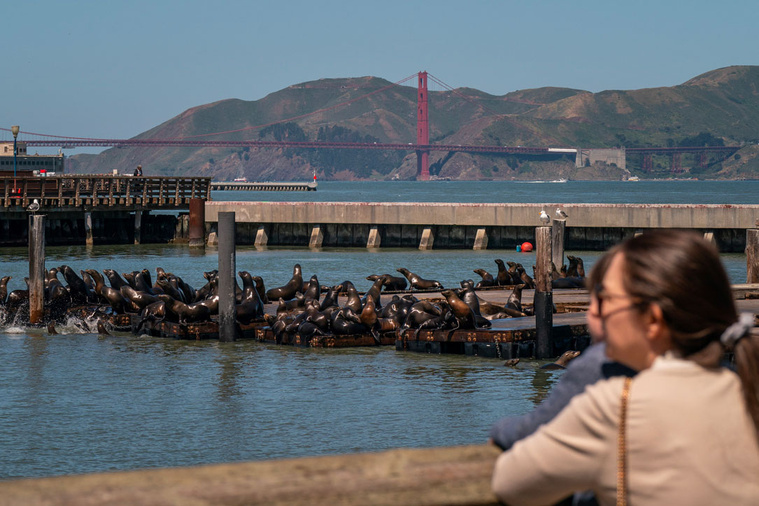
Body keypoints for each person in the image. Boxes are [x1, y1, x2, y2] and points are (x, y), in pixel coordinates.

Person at [492, 230, 759, 505]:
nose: (592, 309)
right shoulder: (745, 389)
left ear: (653, 321)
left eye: (604, 298)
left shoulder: (614, 403)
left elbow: (509, 481)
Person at [489, 253, 635, 453]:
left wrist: (499, 429)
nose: (591, 311)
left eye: (600, 301)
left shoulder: (595, 366)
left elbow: (532, 428)